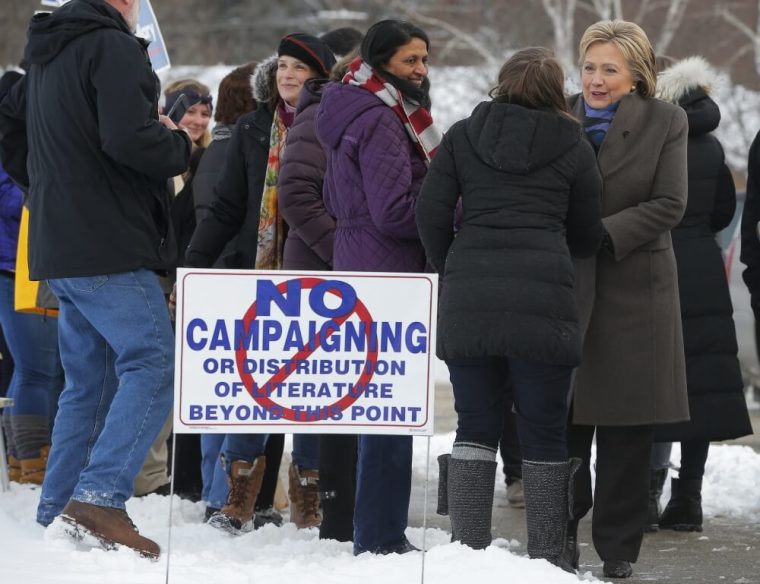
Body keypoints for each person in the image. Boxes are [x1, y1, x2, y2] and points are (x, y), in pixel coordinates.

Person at [0, 0, 191, 558]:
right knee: (154, 364)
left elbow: (7, 117)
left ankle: (58, 509)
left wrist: (45, 182)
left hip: (60, 241)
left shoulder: (46, 54)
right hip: (108, 239)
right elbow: (130, 140)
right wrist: (177, 142)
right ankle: (101, 499)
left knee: (91, 382)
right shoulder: (112, 47)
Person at [417, 47, 603, 570]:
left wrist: (449, 264)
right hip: (543, 298)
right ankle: (547, 557)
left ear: (501, 84)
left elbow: (429, 210)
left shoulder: (462, 135)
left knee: (474, 424)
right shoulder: (574, 143)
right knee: (543, 430)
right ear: (553, 89)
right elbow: (588, 233)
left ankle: (468, 551)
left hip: (471, 294)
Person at [183, 33, 336, 535]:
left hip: (319, 275)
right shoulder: (252, 128)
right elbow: (228, 207)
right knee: (260, 383)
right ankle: (238, 495)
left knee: (314, 389)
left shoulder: (336, 127)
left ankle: (309, 495)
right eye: (283, 66)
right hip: (262, 276)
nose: (288, 75)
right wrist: (196, 263)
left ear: (321, 76)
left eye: (300, 67)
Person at [566, 20, 690, 579]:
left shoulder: (667, 120)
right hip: (566, 287)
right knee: (563, 426)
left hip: (633, 286)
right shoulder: (558, 114)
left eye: (609, 69)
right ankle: (556, 533)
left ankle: (617, 550)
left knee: (625, 430)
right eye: (590, 66)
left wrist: (603, 231)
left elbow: (669, 203)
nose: (595, 79)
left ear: (636, 75)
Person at [315, 18, 441, 555]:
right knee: (389, 407)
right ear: (381, 60)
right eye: (410, 60)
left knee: (371, 405)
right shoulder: (384, 119)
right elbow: (394, 212)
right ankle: (382, 535)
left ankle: (367, 527)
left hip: (359, 259)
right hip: (387, 272)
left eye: (425, 59)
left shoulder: (350, 106)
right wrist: (451, 205)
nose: (421, 71)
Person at [652, 56, 753, 532]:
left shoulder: (647, 137)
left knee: (649, 384)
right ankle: (687, 497)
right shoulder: (711, 145)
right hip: (701, 267)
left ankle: (644, 494)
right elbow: (719, 214)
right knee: (702, 387)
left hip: (650, 264)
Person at [279, 40, 363, 539]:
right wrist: (343, 251)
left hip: (347, 272)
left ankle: (338, 501)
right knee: (321, 390)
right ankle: (320, 498)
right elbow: (295, 196)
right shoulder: (320, 117)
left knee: (353, 389)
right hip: (321, 271)